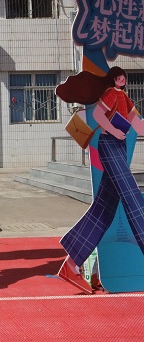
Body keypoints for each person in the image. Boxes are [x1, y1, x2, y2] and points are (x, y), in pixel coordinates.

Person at [56, 66, 144, 294]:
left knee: (105, 209)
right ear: (113, 79)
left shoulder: (124, 98)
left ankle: (72, 264)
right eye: (119, 77)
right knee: (132, 198)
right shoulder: (110, 94)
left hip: (119, 148)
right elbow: (97, 116)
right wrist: (114, 131)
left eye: (124, 77)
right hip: (110, 145)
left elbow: (138, 124)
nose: (122, 80)